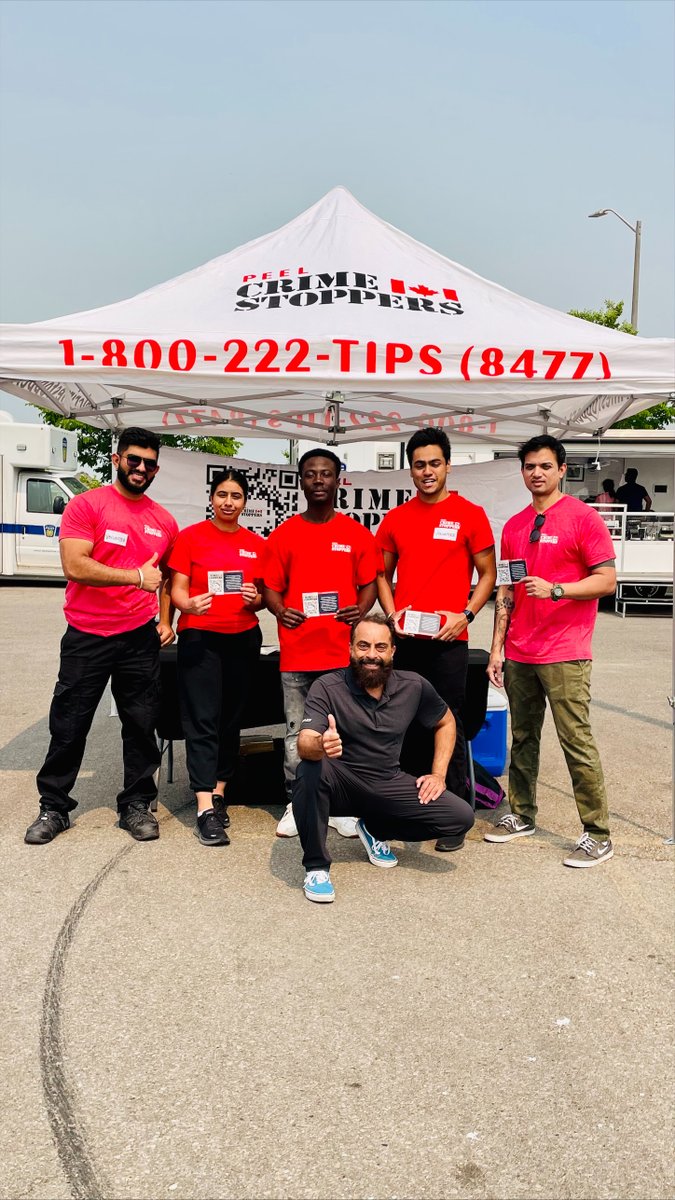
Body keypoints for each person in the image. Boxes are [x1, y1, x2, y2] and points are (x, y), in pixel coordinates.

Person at [25, 428, 178, 845]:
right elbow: (75, 565)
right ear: (117, 460)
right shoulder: (86, 505)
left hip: (138, 639)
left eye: (149, 463)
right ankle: (54, 807)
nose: (141, 469)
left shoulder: (164, 520)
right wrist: (135, 577)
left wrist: (167, 620)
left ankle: (136, 804)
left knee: (142, 725)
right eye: (134, 460)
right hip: (86, 636)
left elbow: (164, 578)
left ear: (156, 468)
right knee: (69, 725)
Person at [485, 434, 616, 868]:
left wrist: (558, 589)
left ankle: (597, 833)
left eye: (544, 466)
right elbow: (506, 590)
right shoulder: (515, 526)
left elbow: (606, 581)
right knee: (522, 739)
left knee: (575, 740)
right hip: (520, 650)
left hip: (566, 651)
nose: (536, 473)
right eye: (529, 467)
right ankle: (522, 813)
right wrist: (496, 649)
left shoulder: (584, 519)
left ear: (562, 470)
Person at [293, 614, 475, 903]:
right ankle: (316, 868)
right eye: (363, 646)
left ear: (393, 651)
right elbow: (304, 745)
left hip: (387, 782)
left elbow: (446, 722)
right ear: (350, 648)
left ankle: (374, 829)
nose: (371, 655)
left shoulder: (413, 685)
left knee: (460, 817)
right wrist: (321, 745)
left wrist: (438, 774)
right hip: (341, 782)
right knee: (310, 770)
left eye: (380, 647)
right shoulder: (327, 686)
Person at [376, 428, 496, 852]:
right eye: (419, 465)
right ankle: (406, 806)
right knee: (403, 722)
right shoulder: (397, 519)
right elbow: (380, 574)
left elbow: (489, 575)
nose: (427, 472)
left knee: (450, 724)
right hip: (406, 641)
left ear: (448, 464)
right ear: (410, 470)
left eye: (434, 463)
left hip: (449, 640)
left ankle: (453, 817)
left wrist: (464, 614)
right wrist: (392, 616)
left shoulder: (470, 514)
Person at [263, 448, 379, 839]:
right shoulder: (284, 534)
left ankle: (339, 805)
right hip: (297, 653)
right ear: (301, 480)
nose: (318, 480)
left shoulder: (355, 534)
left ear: (337, 480)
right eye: (310, 474)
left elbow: (369, 585)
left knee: (342, 732)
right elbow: (270, 589)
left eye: (325, 474)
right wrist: (280, 611)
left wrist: (359, 611)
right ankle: (298, 803)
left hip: (343, 655)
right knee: (298, 733)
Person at [169, 469, 265, 847]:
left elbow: (261, 597)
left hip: (243, 638)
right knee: (203, 720)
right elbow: (176, 590)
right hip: (200, 638)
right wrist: (187, 604)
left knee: (231, 719)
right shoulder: (190, 538)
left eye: (236, 496)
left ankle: (220, 792)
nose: (229, 502)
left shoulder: (257, 544)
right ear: (212, 498)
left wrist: (253, 599)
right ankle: (204, 807)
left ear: (245, 502)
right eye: (222, 494)